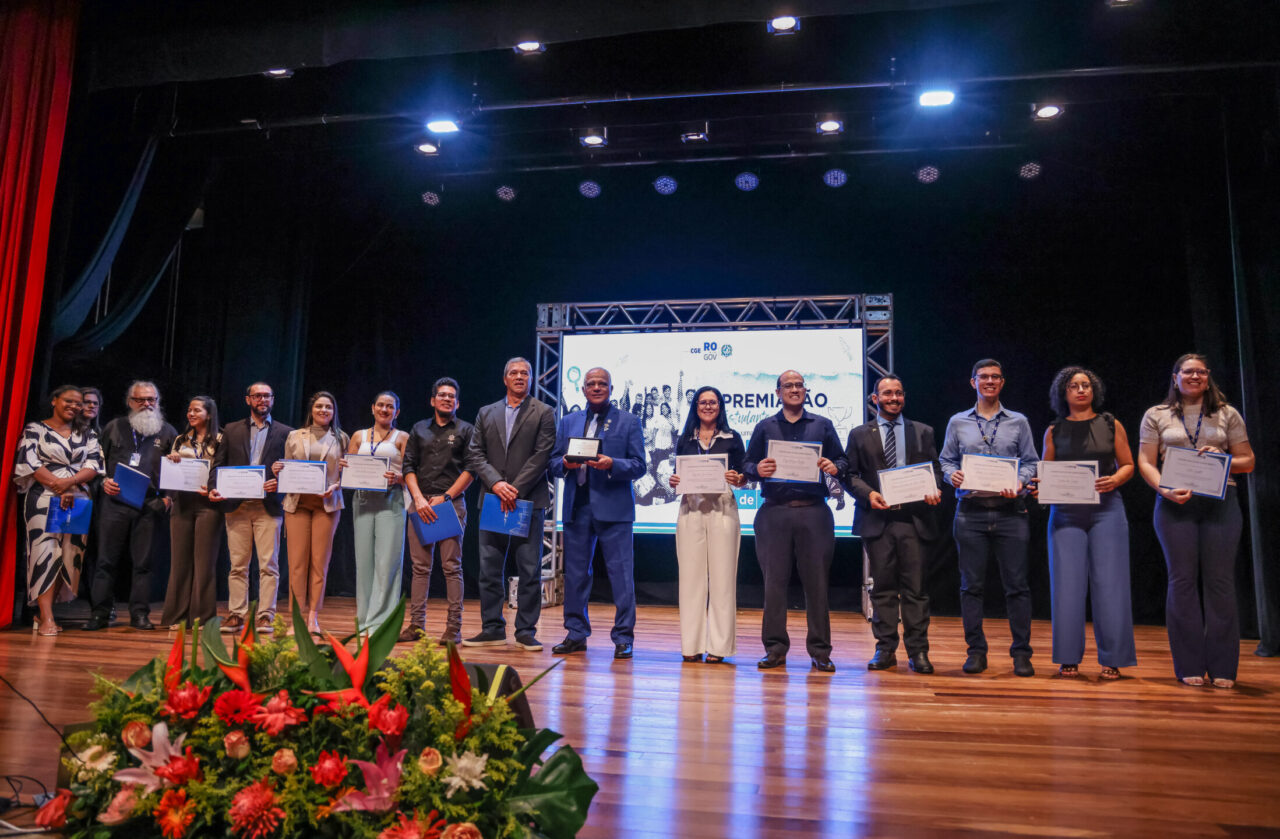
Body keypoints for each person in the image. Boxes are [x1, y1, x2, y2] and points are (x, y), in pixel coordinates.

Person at [1136, 353, 1255, 688]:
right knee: (1182, 582)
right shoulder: (1156, 414)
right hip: (1175, 503)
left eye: (1201, 372)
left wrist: (1225, 459)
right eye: (1188, 372)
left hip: (1221, 502)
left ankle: (1223, 667)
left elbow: (1248, 461)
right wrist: (1164, 490)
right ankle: (1188, 664)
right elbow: (1145, 461)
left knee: (1220, 583)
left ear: (1208, 376)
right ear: (1175, 377)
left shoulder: (1227, 413)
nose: (1195, 376)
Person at [939, 359, 1040, 676]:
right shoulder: (957, 422)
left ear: (1002, 382)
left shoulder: (1019, 422)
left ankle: (1021, 653)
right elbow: (946, 461)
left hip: (1011, 513)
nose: (990, 381)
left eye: (996, 377)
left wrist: (1020, 482)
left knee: (1017, 586)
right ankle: (976, 652)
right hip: (970, 514)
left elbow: (1031, 462)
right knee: (971, 587)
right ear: (973, 382)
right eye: (984, 377)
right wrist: (952, 475)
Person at [742, 369, 847, 672]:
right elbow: (746, 464)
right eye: (788, 385)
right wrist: (757, 470)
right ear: (778, 392)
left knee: (817, 585)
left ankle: (820, 651)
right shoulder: (765, 427)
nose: (795, 389)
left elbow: (843, 460)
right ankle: (775, 649)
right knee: (774, 584)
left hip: (814, 512)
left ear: (805, 391)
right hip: (774, 512)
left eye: (799, 385)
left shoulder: (822, 425)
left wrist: (834, 466)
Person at [1038, 367, 1136, 680]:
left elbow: (1128, 464)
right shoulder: (1053, 430)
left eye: (1086, 385)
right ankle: (1068, 658)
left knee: (1111, 585)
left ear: (1094, 391)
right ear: (1063, 393)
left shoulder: (1110, 423)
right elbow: (1045, 473)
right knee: (1066, 586)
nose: (1081, 390)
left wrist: (1116, 478)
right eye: (1074, 386)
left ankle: (1113, 659)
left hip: (1107, 509)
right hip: (1066, 512)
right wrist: (1039, 488)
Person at [843, 375, 943, 674]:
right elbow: (850, 475)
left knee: (916, 590)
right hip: (878, 521)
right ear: (875, 398)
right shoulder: (859, 434)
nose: (894, 398)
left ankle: (918, 651)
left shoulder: (923, 431)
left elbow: (935, 470)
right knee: (883, 589)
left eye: (898, 393)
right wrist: (868, 494)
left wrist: (935, 488)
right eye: (887, 393)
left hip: (914, 520)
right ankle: (885, 649)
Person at [549, 367, 648, 659]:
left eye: (601, 383)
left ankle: (623, 637)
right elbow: (553, 462)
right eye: (590, 383)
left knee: (621, 576)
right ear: (583, 389)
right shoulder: (568, 421)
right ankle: (576, 633)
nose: (596, 387)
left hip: (614, 508)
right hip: (577, 507)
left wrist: (612, 464)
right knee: (575, 575)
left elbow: (640, 465)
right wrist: (564, 464)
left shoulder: (628, 421)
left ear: (611, 389)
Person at [463, 357, 556, 651]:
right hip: (493, 499)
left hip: (527, 500)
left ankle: (526, 631)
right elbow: (475, 453)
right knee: (489, 569)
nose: (519, 376)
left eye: (524, 373)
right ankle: (492, 628)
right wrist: (496, 484)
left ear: (531, 379)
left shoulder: (544, 412)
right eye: (514, 373)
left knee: (529, 570)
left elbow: (542, 455)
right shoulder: (486, 412)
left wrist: (513, 489)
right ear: (505, 379)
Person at [86, 381, 177, 631]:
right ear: (130, 402)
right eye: (141, 399)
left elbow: (177, 468)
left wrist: (169, 497)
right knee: (105, 560)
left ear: (158, 402)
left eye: (152, 399)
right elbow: (96, 463)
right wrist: (103, 481)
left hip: (149, 504)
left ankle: (139, 614)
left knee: (144, 563)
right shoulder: (114, 427)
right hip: (114, 502)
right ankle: (100, 613)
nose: (147, 404)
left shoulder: (168, 431)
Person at [14, 386, 103, 635]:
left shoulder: (88, 433)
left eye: (78, 403)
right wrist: (59, 486)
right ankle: (46, 618)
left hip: (77, 499)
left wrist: (69, 485)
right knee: (45, 553)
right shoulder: (36, 429)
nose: (74, 406)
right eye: (68, 401)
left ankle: (45, 612)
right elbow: (30, 463)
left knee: (68, 556)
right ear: (54, 401)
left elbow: (94, 465)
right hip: (43, 497)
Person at [667, 386, 746, 663]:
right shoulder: (685, 439)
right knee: (690, 579)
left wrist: (739, 478)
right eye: (703, 402)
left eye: (713, 402)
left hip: (723, 508)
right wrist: (674, 480)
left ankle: (719, 648)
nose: (708, 406)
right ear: (696, 406)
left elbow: (744, 475)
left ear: (720, 406)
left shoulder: (732, 437)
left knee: (723, 580)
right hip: (691, 507)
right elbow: (677, 474)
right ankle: (691, 645)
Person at [210, 382, 292, 633]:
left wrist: (280, 483)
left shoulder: (286, 433)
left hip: (268, 506)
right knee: (238, 565)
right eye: (257, 396)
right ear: (248, 400)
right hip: (237, 506)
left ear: (273, 399)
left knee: (269, 565)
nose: (262, 400)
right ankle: (236, 614)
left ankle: (266, 615)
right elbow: (218, 464)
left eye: (267, 396)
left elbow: (293, 469)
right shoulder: (231, 430)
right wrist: (214, 487)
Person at [401, 378, 474, 644]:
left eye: (451, 396)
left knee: (451, 567)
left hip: (450, 504)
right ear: (433, 400)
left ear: (457, 403)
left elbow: (471, 470)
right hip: (421, 503)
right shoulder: (419, 429)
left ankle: (454, 628)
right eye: (442, 395)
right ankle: (416, 626)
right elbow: (408, 467)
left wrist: (445, 497)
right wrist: (418, 499)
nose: (446, 399)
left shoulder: (466, 430)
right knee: (420, 568)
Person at [277, 391, 348, 635]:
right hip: (297, 504)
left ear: (333, 411)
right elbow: (286, 468)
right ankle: (296, 619)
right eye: (319, 406)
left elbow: (347, 474)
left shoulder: (342, 438)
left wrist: (335, 486)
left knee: (320, 563)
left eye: (328, 407)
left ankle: (313, 618)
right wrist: (278, 469)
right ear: (312, 409)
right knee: (297, 564)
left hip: (327, 505)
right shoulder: (295, 436)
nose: (323, 410)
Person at [346, 391, 408, 635]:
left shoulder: (402, 437)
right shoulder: (358, 436)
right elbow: (348, 467)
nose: (384, 409)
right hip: (362, 501)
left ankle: (381, 623)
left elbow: (411, 473)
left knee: (387, 563)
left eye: (390, 406)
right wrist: (344, 468)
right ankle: (364, 621)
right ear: (372, 408)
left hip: (391, 501)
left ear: (397, 412)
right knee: (364, 563)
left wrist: (399, 477)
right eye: (380, 405)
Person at [161, 396, 225, 630]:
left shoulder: (221, 438)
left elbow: (222, 468)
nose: (191, 414)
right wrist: (173, 460)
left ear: (209, 414)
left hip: (208, 504)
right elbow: (171, 469)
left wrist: (212, 487)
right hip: (182, 503)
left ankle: (202, 619)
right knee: (180, 562)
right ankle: (176, 618)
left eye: (197, 410)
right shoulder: (180, 439)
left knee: (204, 563)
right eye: (189, 410)